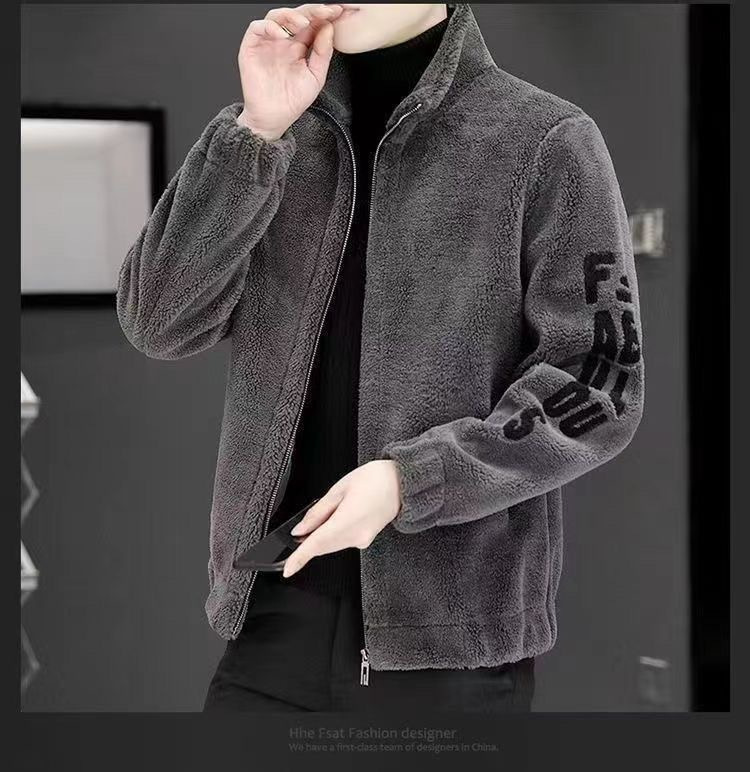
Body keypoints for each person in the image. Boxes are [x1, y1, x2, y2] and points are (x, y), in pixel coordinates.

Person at [116, 2, 644, 712]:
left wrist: (412, 480)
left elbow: (599, 384)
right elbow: (158, 321)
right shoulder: (272, 135)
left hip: (452, 648)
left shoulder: (544, 140)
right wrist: (255, 133)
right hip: (271, 624)